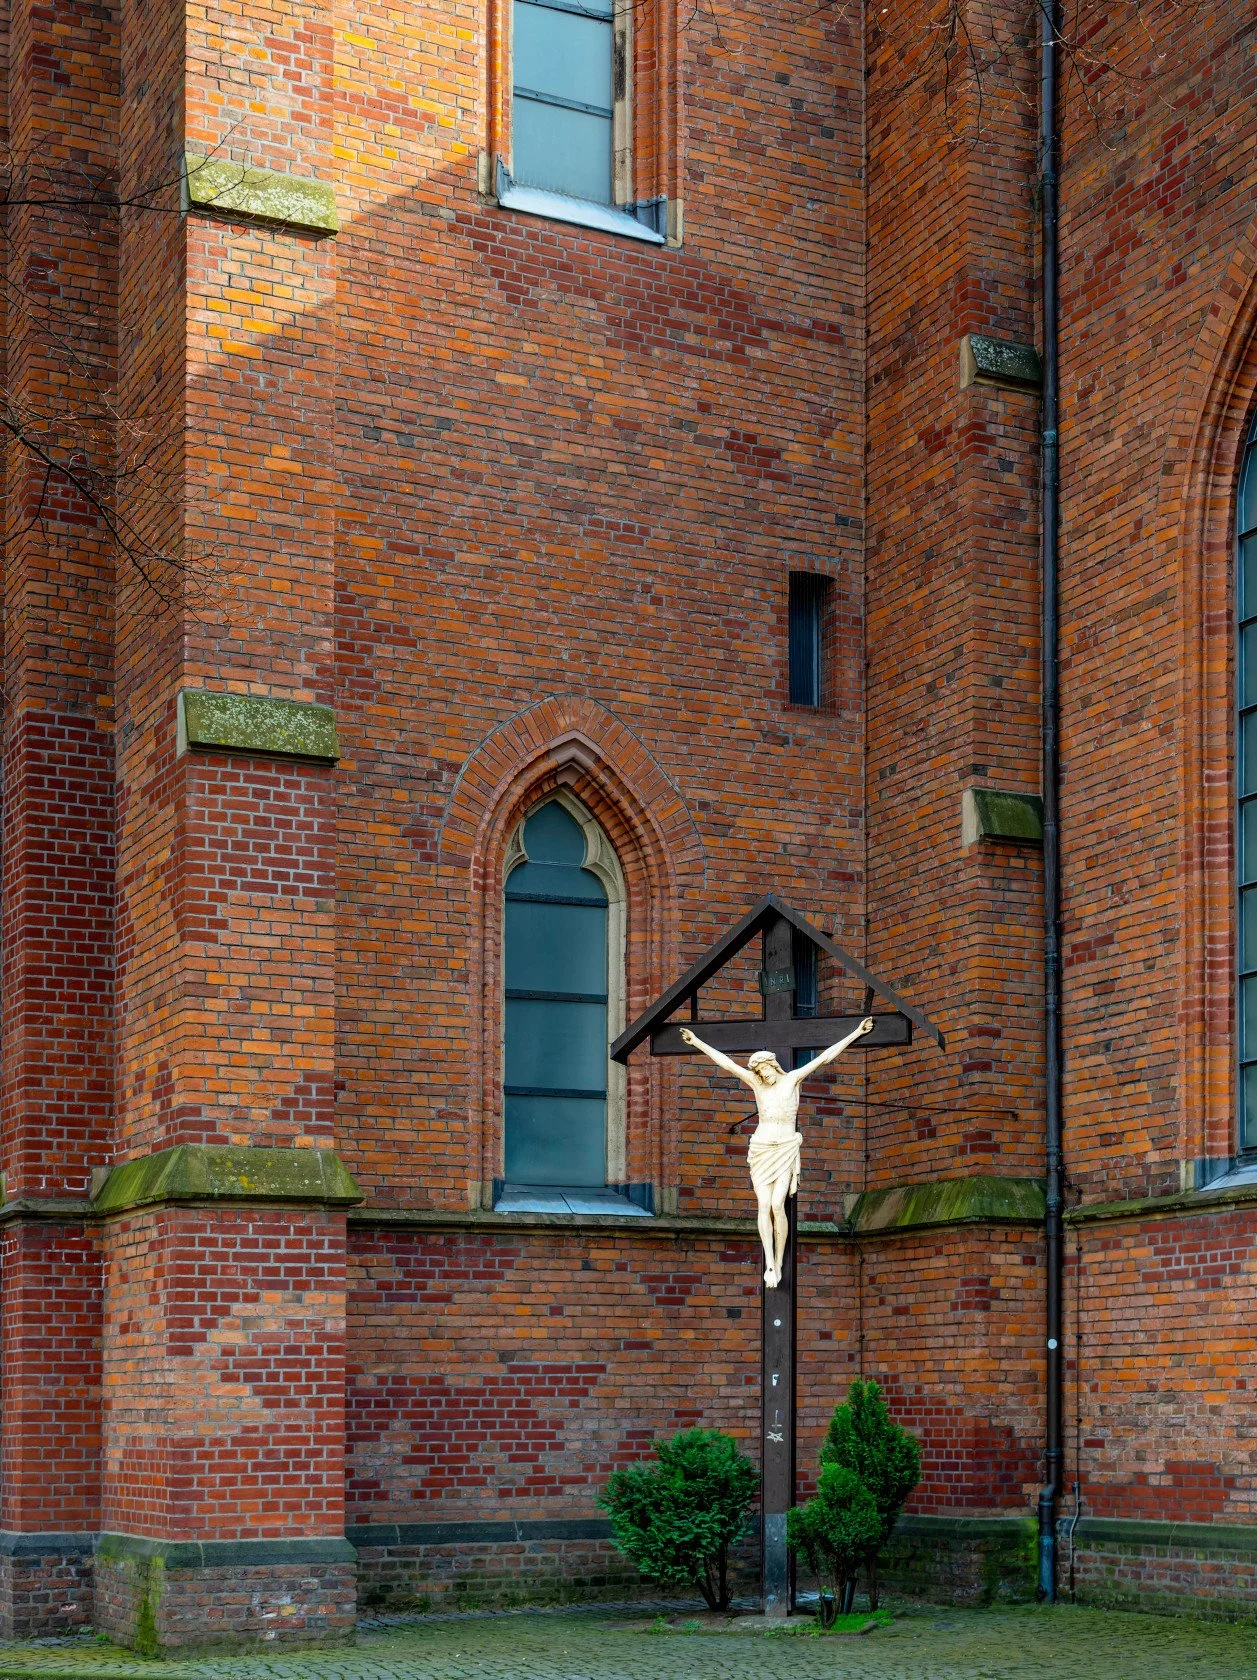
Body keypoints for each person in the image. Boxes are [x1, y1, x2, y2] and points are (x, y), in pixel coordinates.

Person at [679, 1017, 875, 1287]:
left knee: (776, 1204)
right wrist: (697, 1041)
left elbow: (825, 1058)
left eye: (765, 1069)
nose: (763, 1075)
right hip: (761, 1148)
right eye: (759, 1072)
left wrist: (855, 1032)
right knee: (762, 1205)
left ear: (773, 1065)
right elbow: (725, 1063)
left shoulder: (792, 1079)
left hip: (784, 1147)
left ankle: (779, 1261)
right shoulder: (757, 1085)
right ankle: (769, 1264)